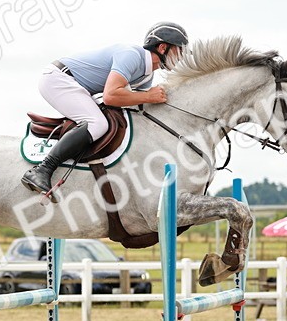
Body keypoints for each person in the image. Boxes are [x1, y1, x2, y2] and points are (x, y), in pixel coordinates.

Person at [20, 21, 189, 197]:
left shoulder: (147, 75)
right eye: (180, 50)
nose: (182, 56)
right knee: (97, 124)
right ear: (163, 47)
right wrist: (148, 96)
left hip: (78, 86)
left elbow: (131, 103)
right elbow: (111, 96)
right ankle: (41, 170)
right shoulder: (132, 55)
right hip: (58, 79)